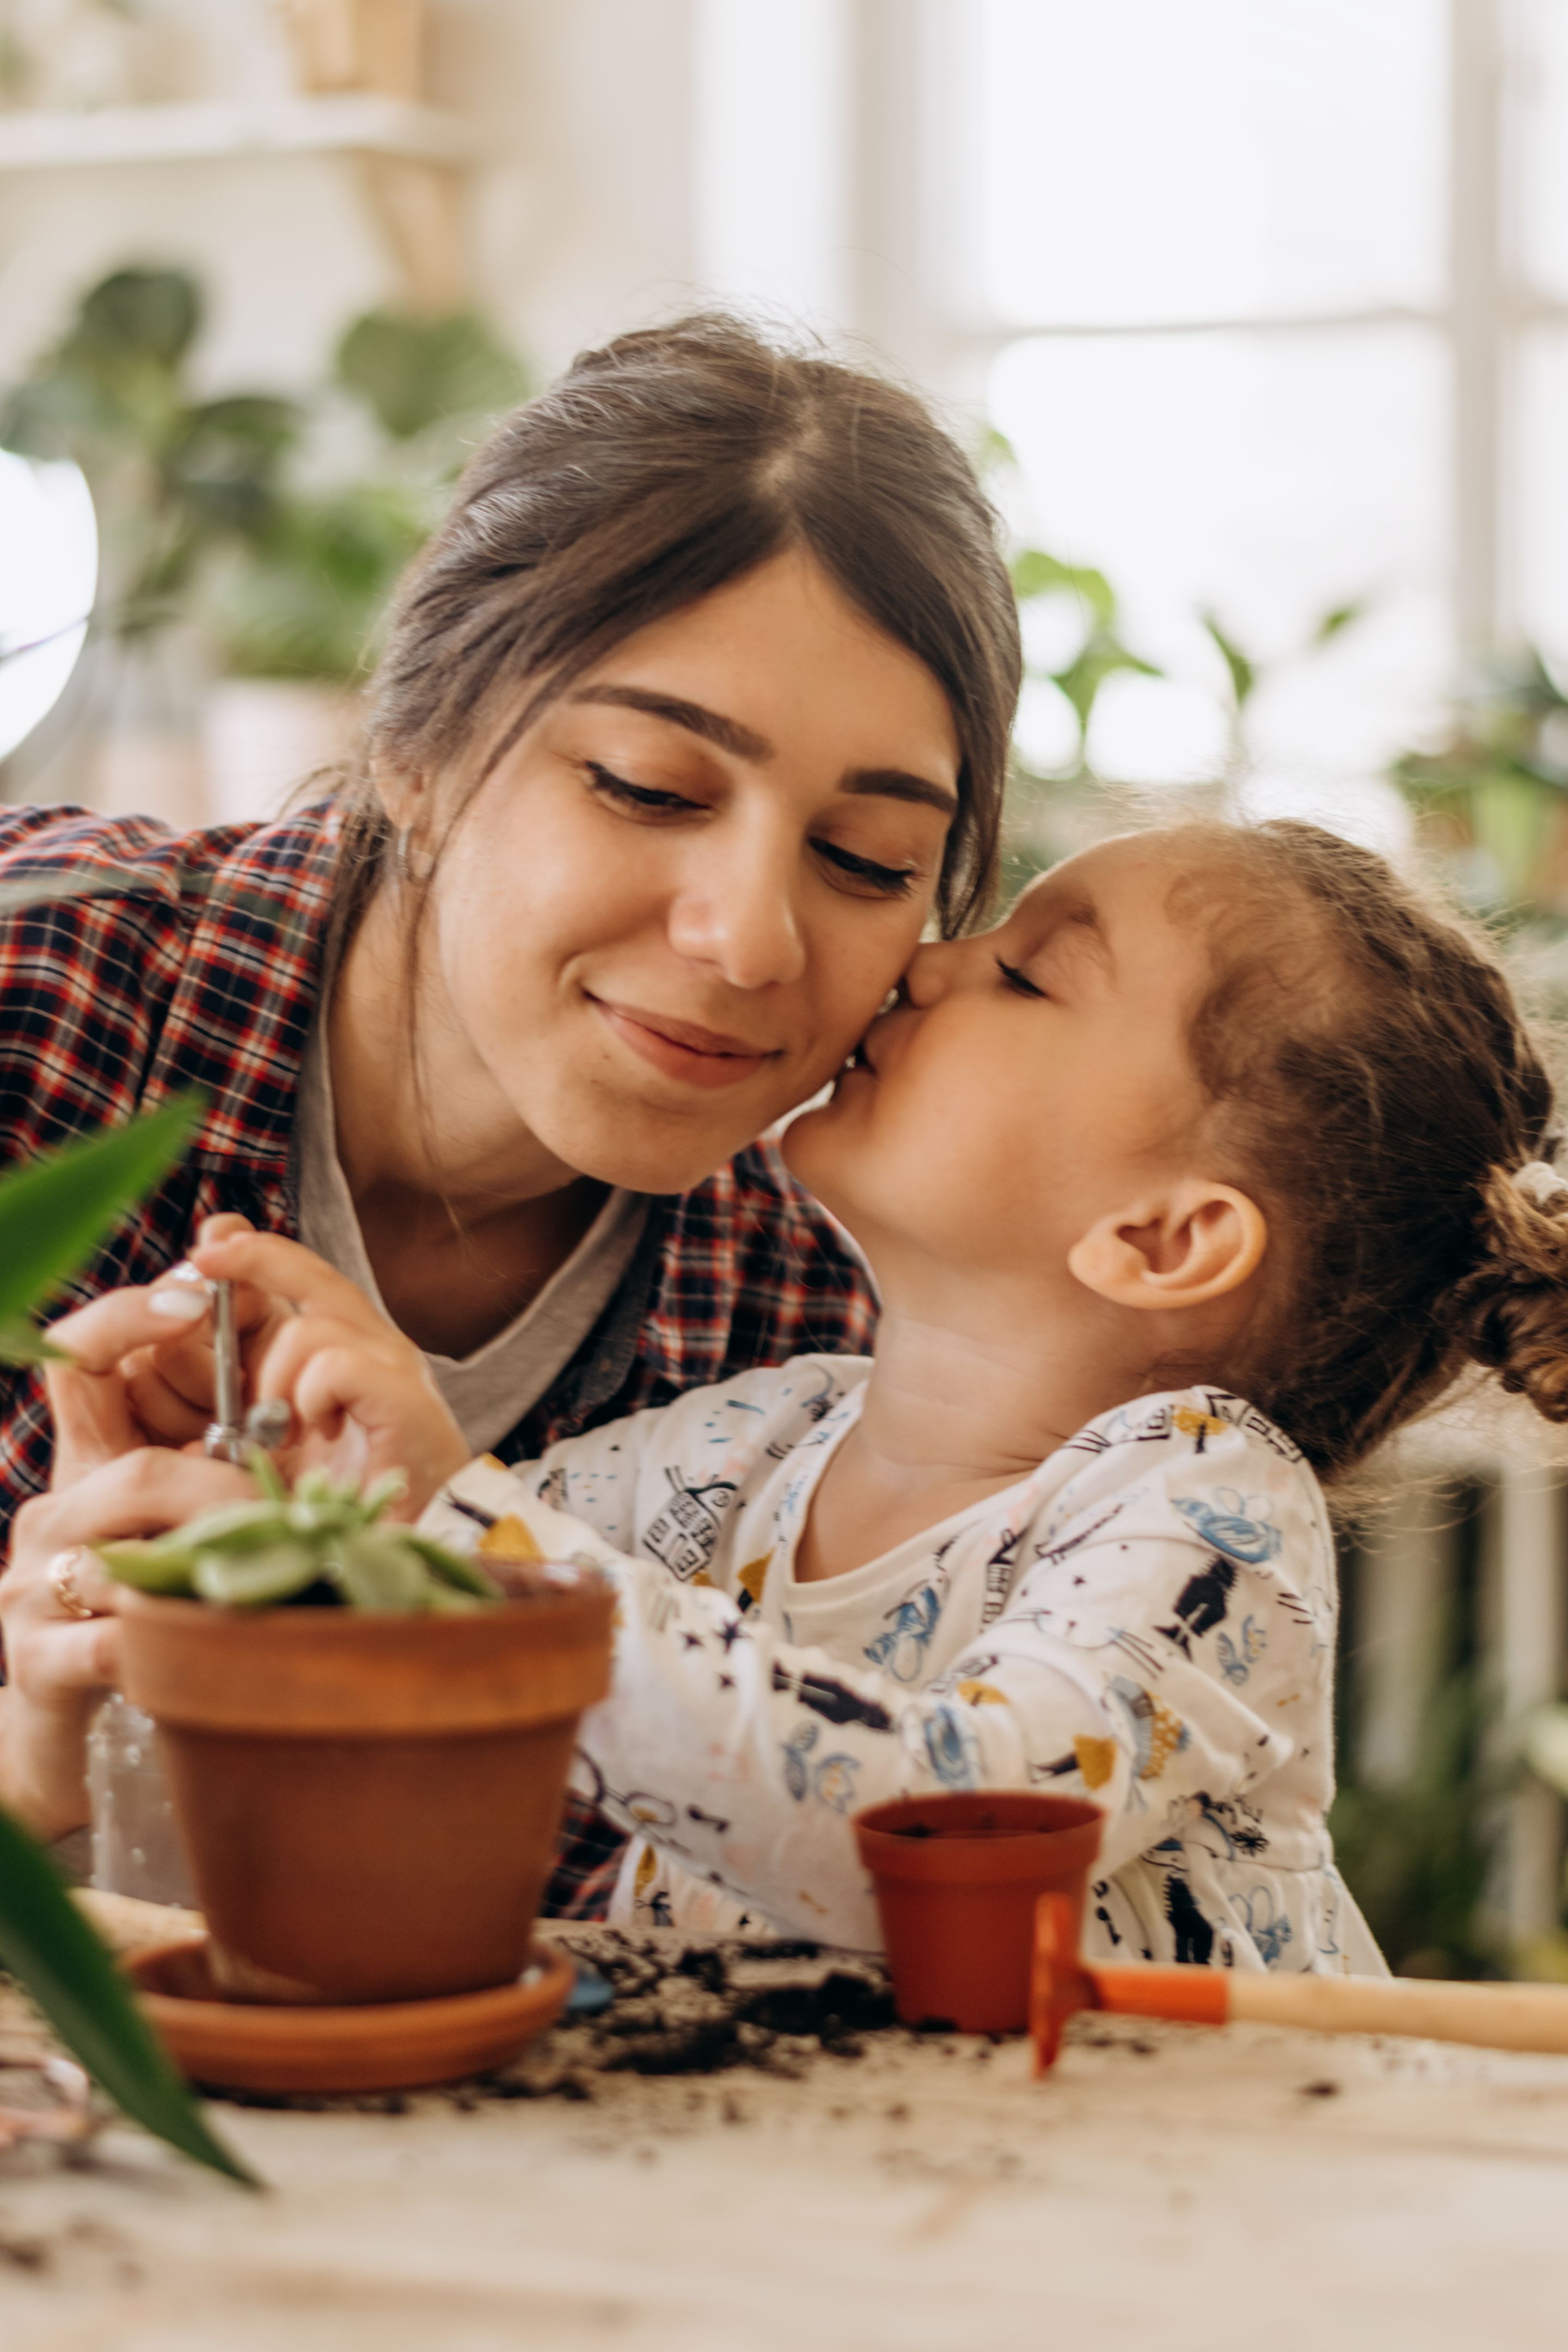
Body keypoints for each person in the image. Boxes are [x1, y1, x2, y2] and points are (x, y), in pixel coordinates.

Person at [36, 815, 1566, 1968]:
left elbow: (936, 1834)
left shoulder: (1204, 1507)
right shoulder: (748, 1442)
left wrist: (451, 1519)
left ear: (1164, 1240)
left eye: (1024, 974)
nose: (926, 962)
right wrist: (271, 1483)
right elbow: (433, 1605)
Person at [0, 314, 1021, 1900]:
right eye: (650, 787)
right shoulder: (37, 1004)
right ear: (417, 748)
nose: (752, 941)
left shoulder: (821, 1321)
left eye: (868, 861)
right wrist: (30, 1763)